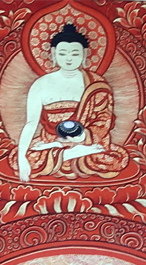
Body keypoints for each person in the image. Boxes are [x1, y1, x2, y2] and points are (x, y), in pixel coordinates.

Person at [16, 24, 129, 182]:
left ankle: (68, 153)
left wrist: (82, 136)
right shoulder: (40, 84)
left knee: (113, 159)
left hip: (85, 141)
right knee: (26, 159)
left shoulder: (96, 83)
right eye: (62, 53)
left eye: (75, 53)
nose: (69, 59)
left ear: (84, 54)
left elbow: (104, 119)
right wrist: (21, 157)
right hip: (52, 141)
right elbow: (30, 123)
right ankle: (68, 153)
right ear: (53, 54)